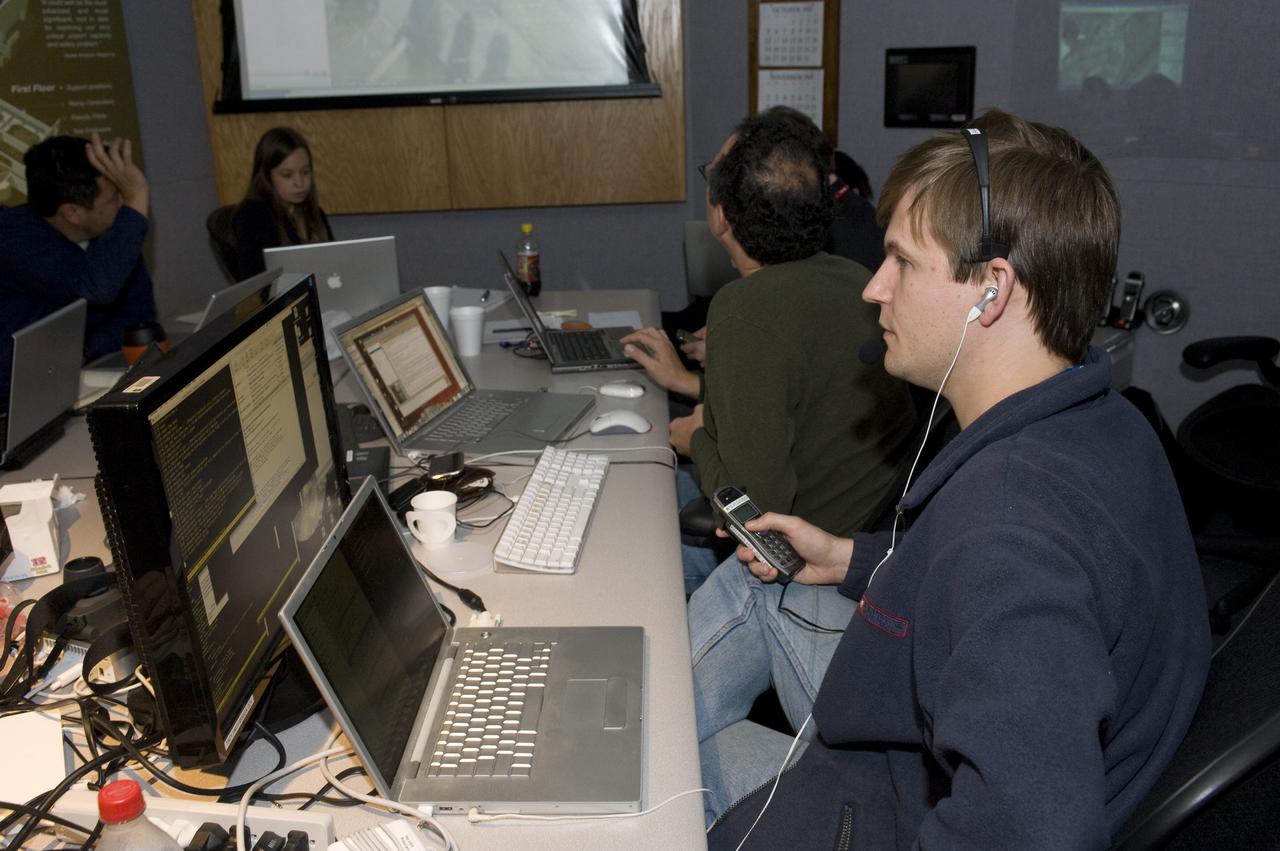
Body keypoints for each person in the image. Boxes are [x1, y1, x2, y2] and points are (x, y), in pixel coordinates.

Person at [694, 109, 1210, 848]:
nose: (874, 287)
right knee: (668, 748)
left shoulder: (1011, 532)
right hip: (889, 784)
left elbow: (1029, 830)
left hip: (885, 818)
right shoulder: (1106, 422)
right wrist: (851, 558)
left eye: (902, 261)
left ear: (990, 290)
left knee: (645, 781)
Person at [622, 107, 918, 595]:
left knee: (626, 536)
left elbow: (755, 513)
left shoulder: (743, 309)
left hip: (798, 561)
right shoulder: (853, 278)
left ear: (722, 216)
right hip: (866, 526)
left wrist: (694, 439)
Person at [0, 134, 157, 410]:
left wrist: (84, 349)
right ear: (72, 212)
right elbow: (97, 288)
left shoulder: (108, 235)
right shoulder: (13, 236)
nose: (123, 207)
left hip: (87, 381)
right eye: (114, 198)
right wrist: (137, 195)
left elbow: (139, 320)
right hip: (18, 406)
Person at [230, 127, 333, 280]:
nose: (300, 183)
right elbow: (255, 286)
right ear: (266, 176)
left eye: (305, 172)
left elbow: (335, 269)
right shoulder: (253, 215)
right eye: (287, 175)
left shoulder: (315, 213)